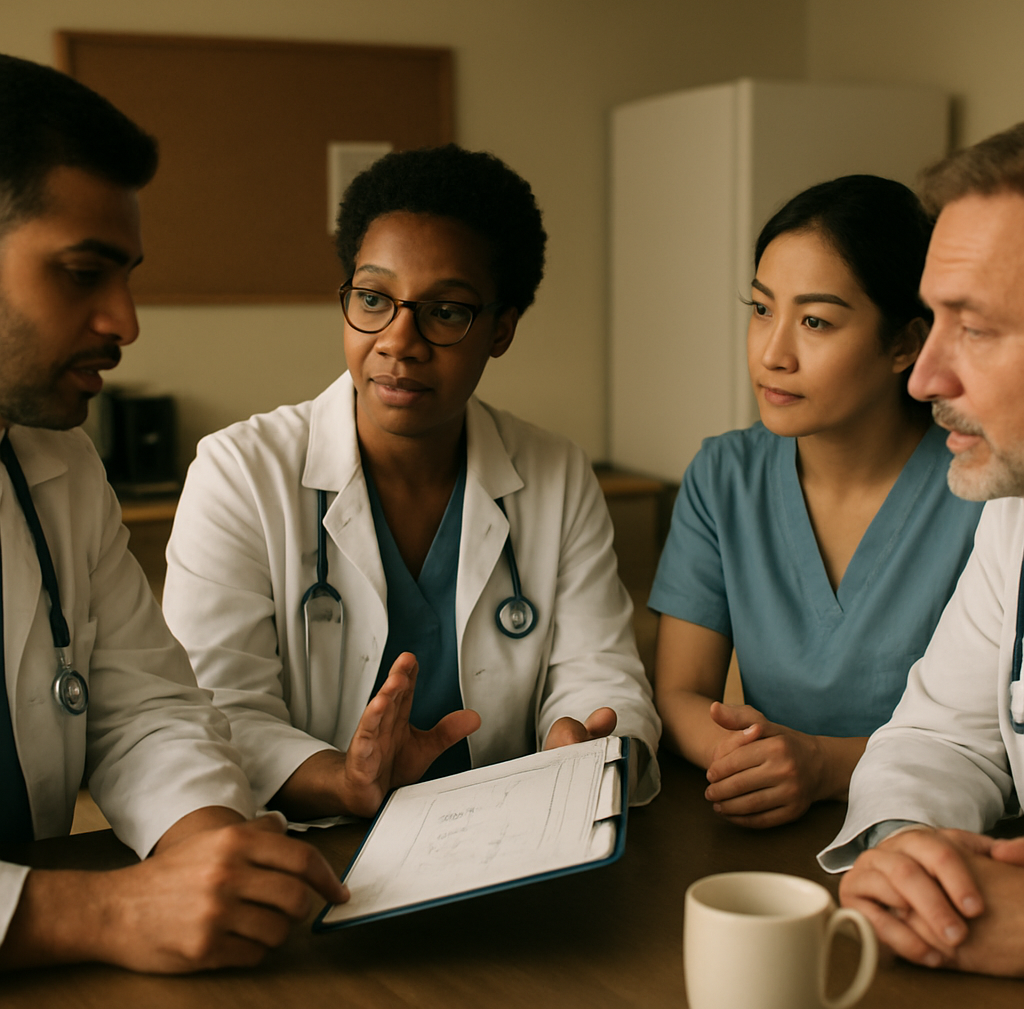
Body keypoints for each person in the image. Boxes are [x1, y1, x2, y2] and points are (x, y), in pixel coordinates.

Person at [161, 144, 661, 821]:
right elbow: (217, 710)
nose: (399, 340)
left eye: (446, 311)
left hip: (514, 834)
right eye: (373, 298)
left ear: (501, 330)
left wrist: (587, 740)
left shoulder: (556, 473)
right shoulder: (241, 472)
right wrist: (344, 781)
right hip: (320, 842)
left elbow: (600, 672)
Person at [0, 53, 351, 973]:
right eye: (82, 273)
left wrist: (208, 850)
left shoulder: (56, 461)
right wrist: (101, 914)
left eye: (126, 275)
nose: (125, 319)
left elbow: (140, 707)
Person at [650, 175, 982, 829]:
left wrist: (823, 766)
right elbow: (680, 691)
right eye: (761, 309)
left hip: (935, 832)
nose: (773, 353)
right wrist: (751, 763)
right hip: (763, 826)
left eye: (815, 322)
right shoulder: (725, 476)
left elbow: (993, 738)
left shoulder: (979, 491)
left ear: (905, 344)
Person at [820, 122, 1024, 978]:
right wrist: (913, 853)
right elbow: (943, 737)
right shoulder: (1016, 516)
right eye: (932, 321)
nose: (923, 377)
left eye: (972, 328)